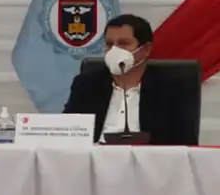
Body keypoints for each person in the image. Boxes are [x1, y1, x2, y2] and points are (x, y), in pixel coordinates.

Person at [62, 13, 197, 145]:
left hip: (148, 158)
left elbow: (185, 143)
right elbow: (66, 134)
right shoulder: (86, 85)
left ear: (146, 50)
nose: (114, 50)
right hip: (96, 156)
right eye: (109, 44)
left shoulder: (170, 89)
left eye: (123, 44)